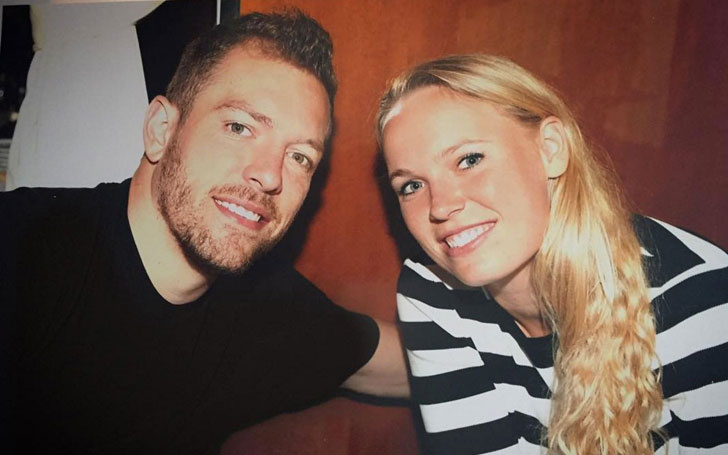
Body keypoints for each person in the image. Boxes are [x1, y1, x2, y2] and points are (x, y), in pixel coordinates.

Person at [1, 11, 407, 454]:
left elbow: (418, 361)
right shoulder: (25, 249)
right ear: (161, 130)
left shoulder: (270, 310)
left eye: (299, 157)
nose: (270, 175)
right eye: (239, 127)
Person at [376, 54, 728, 454]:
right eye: (411, 186)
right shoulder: (432, 296)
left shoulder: (699, 296)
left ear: (551, 149)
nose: (440, 206)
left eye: (469, 160)